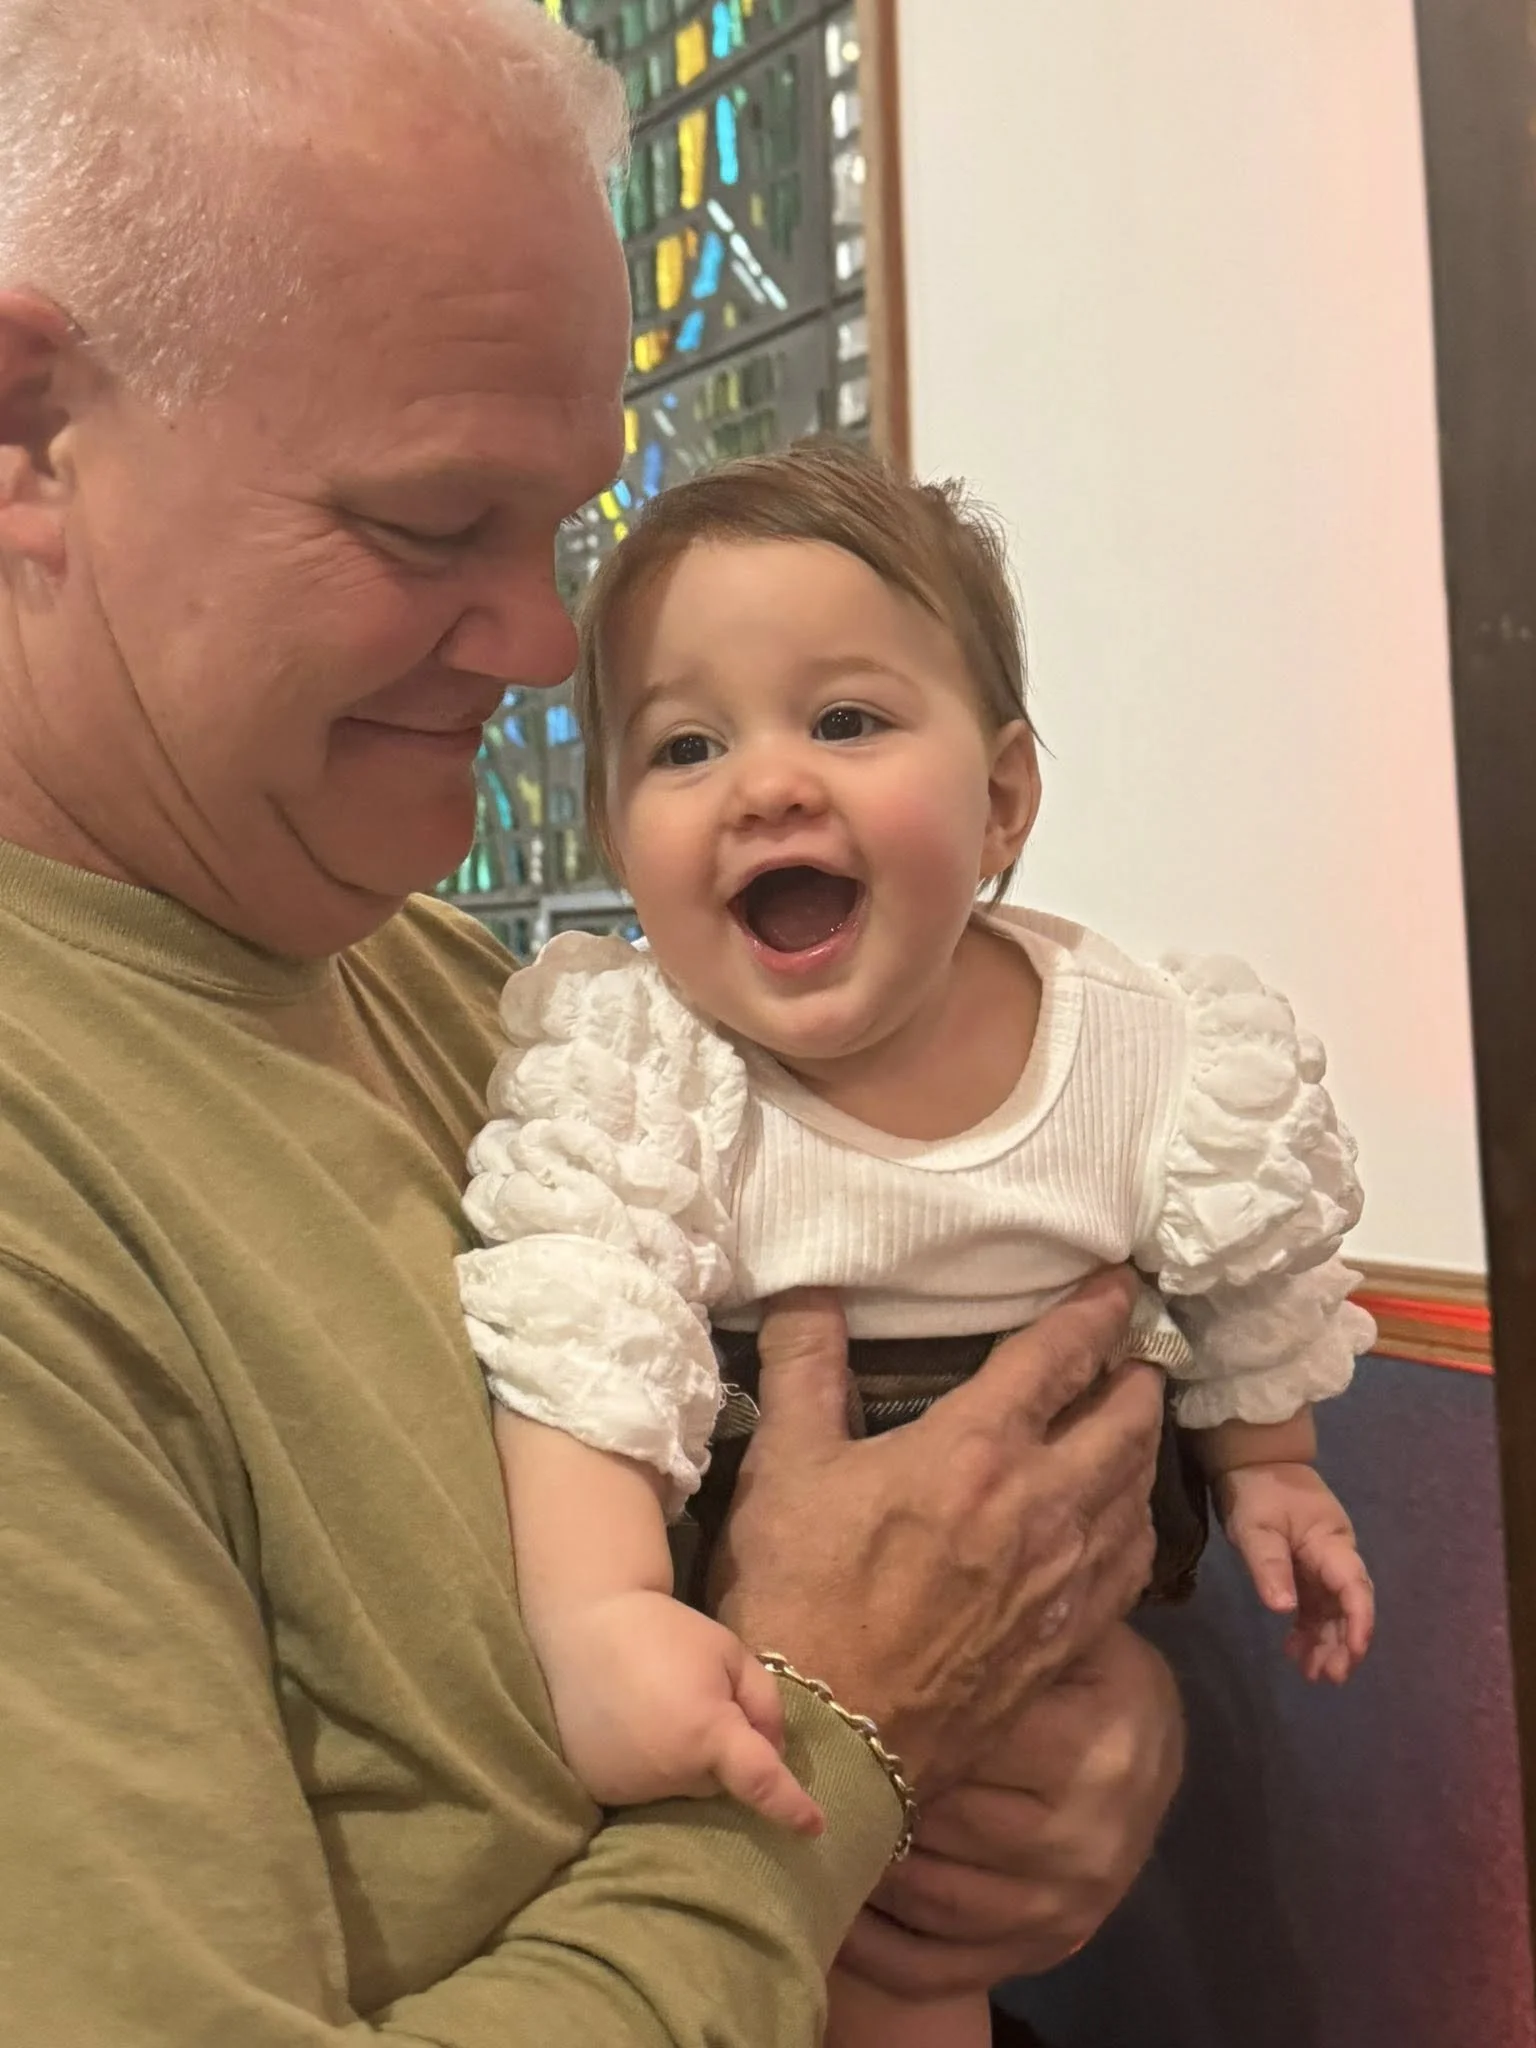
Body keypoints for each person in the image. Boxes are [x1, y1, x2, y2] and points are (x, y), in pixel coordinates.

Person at [0, 2, 1183, 2042]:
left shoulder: (511, 1011)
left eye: (560, 522)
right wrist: (841, 1759)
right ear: (28, 434)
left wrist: (1094, 1726)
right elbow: (845, 1682)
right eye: (429, 523)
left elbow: (904, 1539)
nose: (552, 647)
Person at [456, 441, 1381, 2046]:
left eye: (848, 720)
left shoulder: (1151, 1048)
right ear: (617, 837)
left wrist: (1273, 1466)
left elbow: (1250, 1258)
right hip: (733, 1546)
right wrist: (603, 1622)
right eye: (684, 745)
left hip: (1057, 1568)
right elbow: (580, 1350)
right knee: (835, 1937)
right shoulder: (642, 1071)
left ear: (1006, 795)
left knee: (935, 1947)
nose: (767, 783)